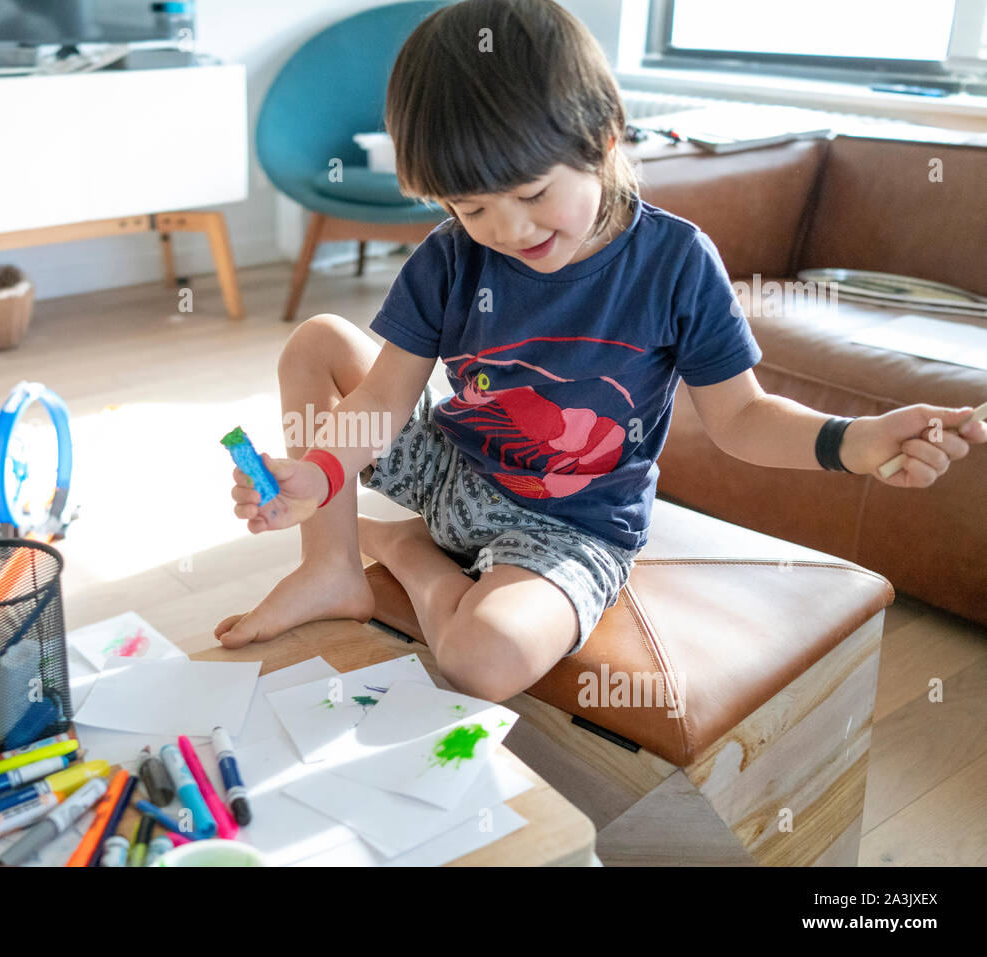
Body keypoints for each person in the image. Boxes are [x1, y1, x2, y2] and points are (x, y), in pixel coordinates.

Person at [216, 0, 985, 702]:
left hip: (572, 527)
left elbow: (742, 418)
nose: (509, 229)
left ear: (602, 138)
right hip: (455, 465)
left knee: (481, 659)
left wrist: (852, 441)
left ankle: (407, 552)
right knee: (316, 341)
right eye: (472, 207)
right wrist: (318, 477)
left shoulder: (676, 262)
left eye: (532, 194)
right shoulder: (450, 258)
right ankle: (330, 565)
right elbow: (381, 402)